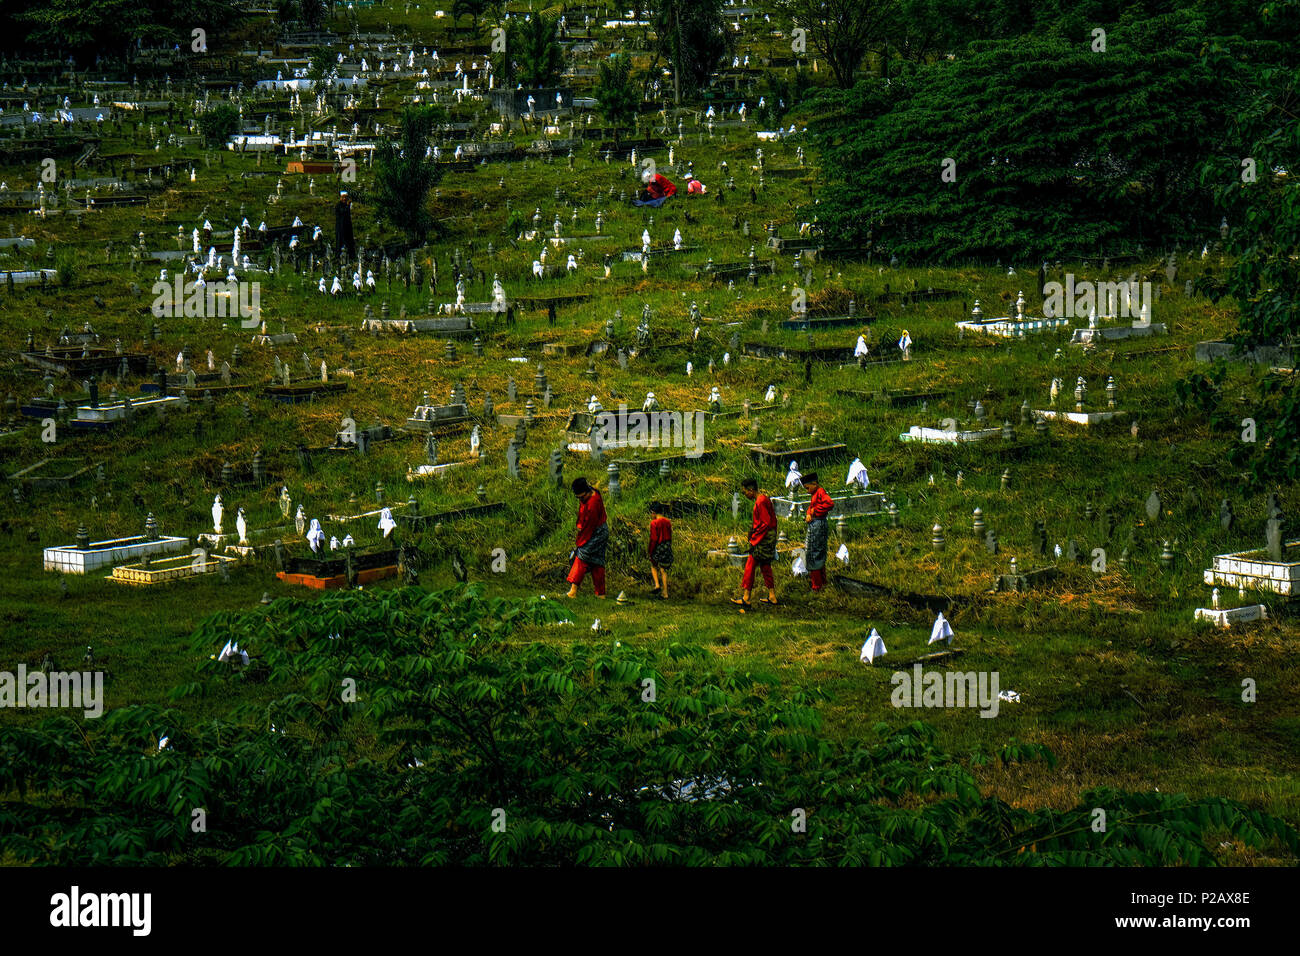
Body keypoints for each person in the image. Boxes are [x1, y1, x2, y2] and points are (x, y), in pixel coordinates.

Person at [732, 478, 777, 610]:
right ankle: (772, 595)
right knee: (765, 565)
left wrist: (754, 539)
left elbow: (765, 523)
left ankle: (746, 597)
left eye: (745, 492)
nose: (745, 494)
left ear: (751, 490)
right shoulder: (763, 499)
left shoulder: (760, 501)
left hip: (763, 538)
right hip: (768, 536)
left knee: (750, 565)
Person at [565, 477, 608, 598]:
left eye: (581, 497)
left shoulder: (593, 503)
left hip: (596, 532)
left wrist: (580, 541)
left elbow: (589, 526)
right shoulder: (589, 495)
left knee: (582, 556)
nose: (580, 500)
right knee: (597, 562)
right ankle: (600, 593)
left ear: (587, 491)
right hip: (597, 531)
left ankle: (573, 590)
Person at [801, 473, 834, 592]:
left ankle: (817, 585)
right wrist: (809, 513)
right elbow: (812, 507)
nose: (807, 491)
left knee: (813, 551)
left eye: (807, 488)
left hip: (818, 524)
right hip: (816, 523)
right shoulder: (815, 494)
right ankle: (822, 580)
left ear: (814, 484)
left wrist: (815, 511)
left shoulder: (820, 492)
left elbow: (829, 503)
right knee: (817, 551)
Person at [647, 503, 673, 600]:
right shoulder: (668, 522)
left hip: (658, 545)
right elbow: (670, 535)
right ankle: (665, 593)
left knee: (653, 565)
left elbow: (654, 538)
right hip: (667, 545)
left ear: (653, 512)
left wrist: (650, 550)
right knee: (663, 570)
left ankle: (657, 585)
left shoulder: (654, 523)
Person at [334, 190, 356, 260]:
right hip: (340, 227)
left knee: (349, 242)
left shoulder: (347, 205)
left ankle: (350, 257)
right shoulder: (338, 205)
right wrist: (347, 206)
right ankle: (338, 257)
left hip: (347, 227)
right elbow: (342, 212)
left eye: (346, 197)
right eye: (343, 197)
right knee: (340, 242)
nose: (344, 199)